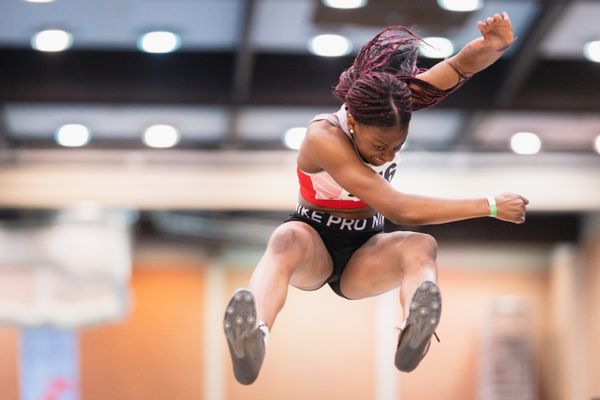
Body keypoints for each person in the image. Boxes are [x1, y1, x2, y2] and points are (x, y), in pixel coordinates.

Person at [223, 11, 528, 385]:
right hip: (313, 242)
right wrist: (490, 205)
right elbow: (398, 206)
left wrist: (492, 47)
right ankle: (253, 335)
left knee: (421, 246)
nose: (386, 154)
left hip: (366, 250)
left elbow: (459, 66)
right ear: (353, 123)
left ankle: (413, 331)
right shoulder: (324, 137)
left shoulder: (394, 104)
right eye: (379, 145)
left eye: (396, 146)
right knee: (285, 239)